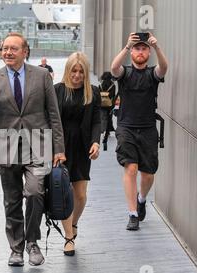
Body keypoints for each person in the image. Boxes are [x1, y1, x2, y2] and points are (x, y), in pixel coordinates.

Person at [0, 33, 66, 267]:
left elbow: (54, 115)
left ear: (25, 51)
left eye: (13, 49)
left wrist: (59, 148)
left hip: (39, 146)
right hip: (7, 148)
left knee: (35, 193)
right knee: (12, 201)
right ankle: (16, 249)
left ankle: (32, 242)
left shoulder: (42, 76)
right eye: (5, 48)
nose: (7, 52)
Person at [110, 32, 168, 231]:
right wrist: (126, 46)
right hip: (126, 127)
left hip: (148, 129)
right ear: (132, 52)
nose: (140, 51)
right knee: (131, 168)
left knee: (148, 174)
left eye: (144, 49)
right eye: (137, 48)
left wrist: (157, 46)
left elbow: (164, 68)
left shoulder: (153, 74)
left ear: (148, 53)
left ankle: (142, 199)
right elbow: (113, 68)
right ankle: (133, 214)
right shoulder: (124, 73)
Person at [54, 52, 101, 256]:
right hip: (61, 148)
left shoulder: (93, 92)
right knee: (64, 193)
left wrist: (96, 142)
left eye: (81, 71)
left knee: (80, 195)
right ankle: (68, 237)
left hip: (82, 147)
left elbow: (97, 121)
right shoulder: (57, 91)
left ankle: (73, 225)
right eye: (74, 70)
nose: (77, 75)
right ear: (68, 70)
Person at [99, 71, 117, 150]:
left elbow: (98, 93)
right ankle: (108, 130)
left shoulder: (100, 85)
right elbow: (113, 95)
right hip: (109, 104)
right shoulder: (112, 85)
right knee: (109, 117)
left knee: (103, 117)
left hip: (102, 104)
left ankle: (103, 130)